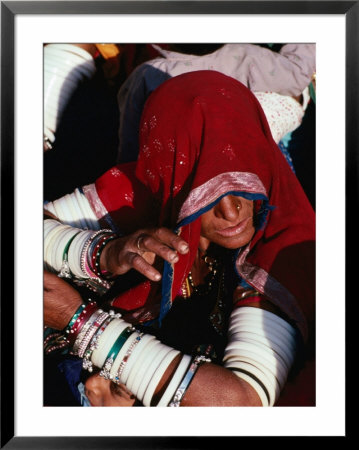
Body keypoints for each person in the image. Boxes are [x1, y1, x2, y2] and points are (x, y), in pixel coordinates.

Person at [44, 71, 315, 407]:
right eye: (206, 195)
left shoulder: (282, 251)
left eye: (242, 184)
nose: (231, 213)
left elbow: (243, 404)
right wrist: (106, 252)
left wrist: (81, 322)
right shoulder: (161, 186)